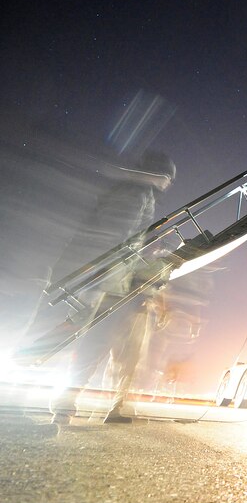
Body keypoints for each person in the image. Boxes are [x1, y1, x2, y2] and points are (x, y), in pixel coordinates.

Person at [48, 150, 176, 425]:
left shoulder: (136, 192)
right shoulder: (138, 194)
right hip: (107, 282)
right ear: (161, 175)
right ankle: (67, 402)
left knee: (97, 346)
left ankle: (68, 403)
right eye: (167, 178)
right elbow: (119, 238)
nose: (168, 184)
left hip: (109, 280)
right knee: (98, 345)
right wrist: (127, 270)